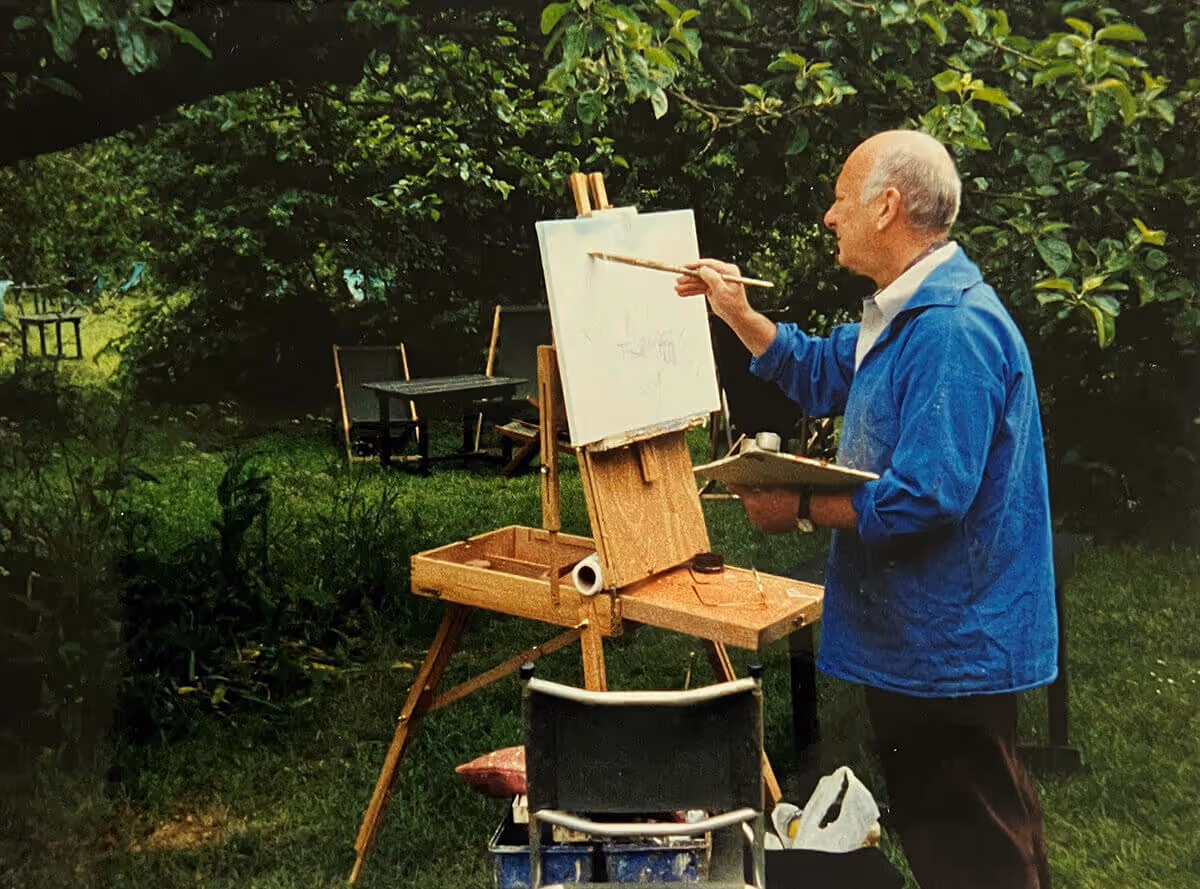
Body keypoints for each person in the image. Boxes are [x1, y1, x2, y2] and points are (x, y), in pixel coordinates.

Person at [676, 130, 1057, 889]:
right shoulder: (909, 311)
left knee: (970, 849)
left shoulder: (951, 328)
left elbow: (929, 495)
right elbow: (819, 368)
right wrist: (736, 313)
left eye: (841, 199)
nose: (828, 216)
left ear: (886, 207)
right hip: (930, 640)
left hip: (952, 646)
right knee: (978, 827)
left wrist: (803, 507)